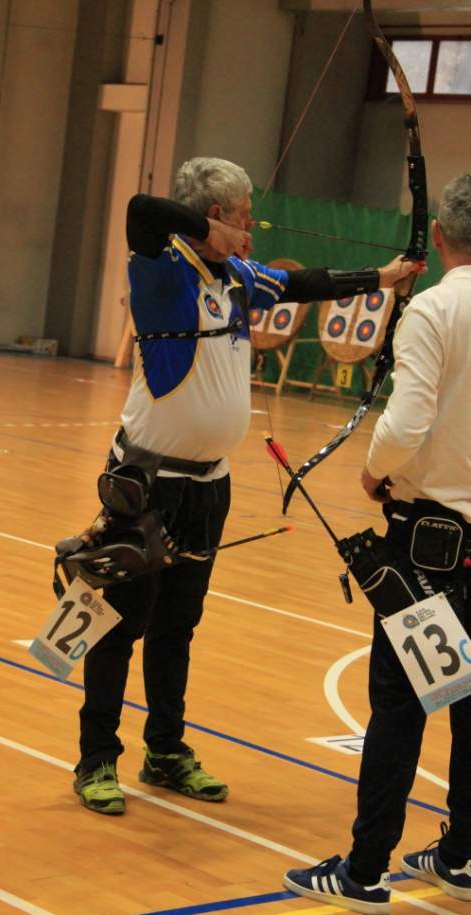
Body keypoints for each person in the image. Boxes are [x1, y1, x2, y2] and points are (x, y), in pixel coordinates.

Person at [73, 156, 421, 815]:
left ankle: (166, 750)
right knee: (120, 622)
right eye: (242, 219)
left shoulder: (237, 278)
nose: (251, 234)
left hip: (208, 487)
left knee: (178, 625)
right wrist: (209, 230)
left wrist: (384, 277)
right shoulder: (162, 271)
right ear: (211, 218)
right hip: (147, 480)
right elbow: (143, 211)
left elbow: (304, 285)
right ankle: (96, 760)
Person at [284, 173, 471, 915]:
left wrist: (371, 471)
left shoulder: (435, 307)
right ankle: (460, 856)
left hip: (431, 541)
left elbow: (404, 425)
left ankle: (363, 871)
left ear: (441, 234)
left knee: (399, 705)